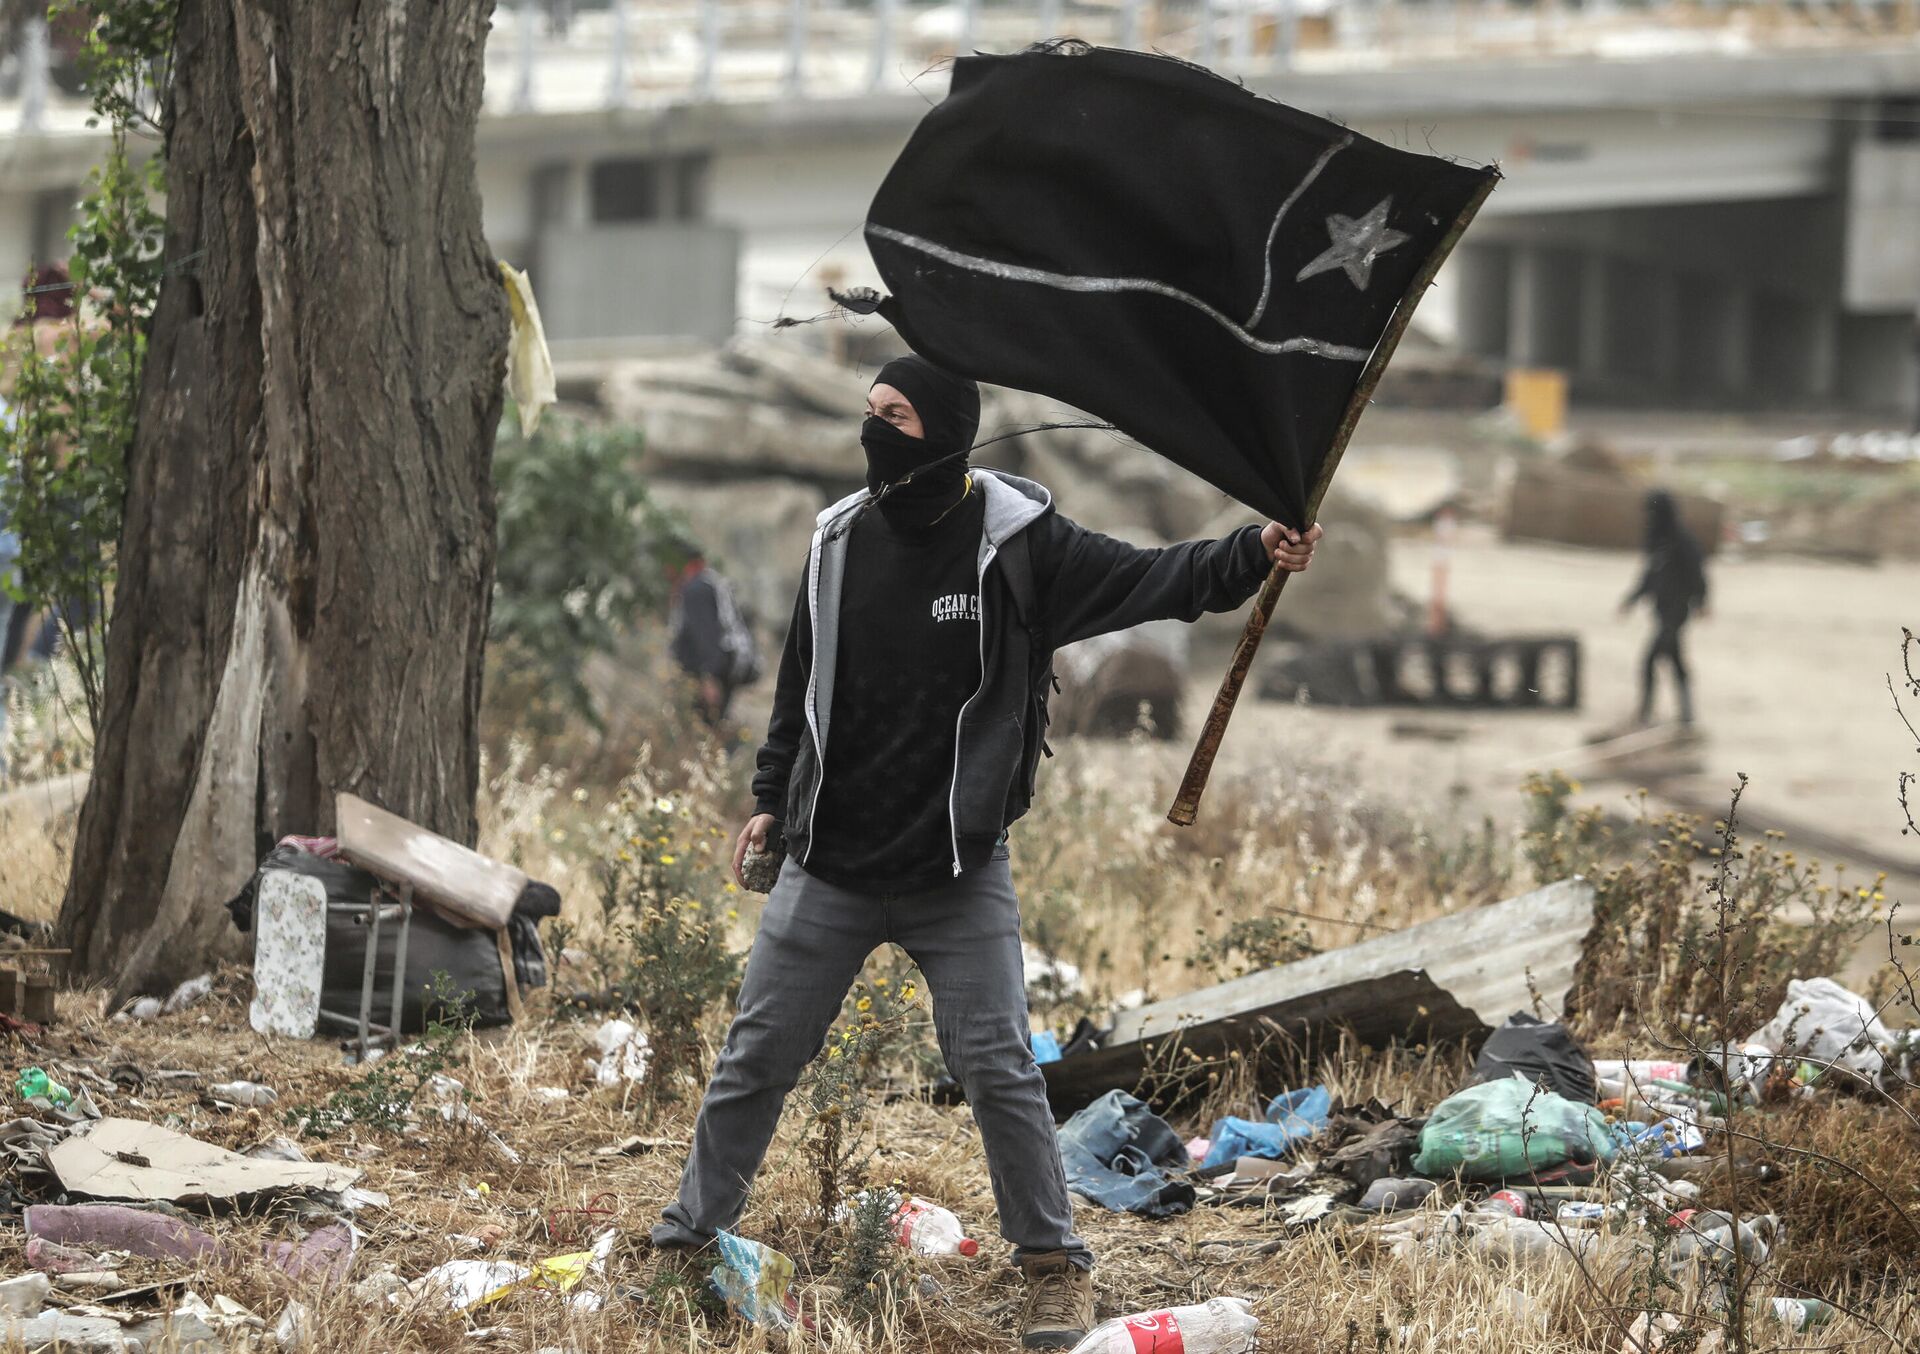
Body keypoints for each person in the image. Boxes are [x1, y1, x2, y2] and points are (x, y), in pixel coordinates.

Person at [649, 353, 1323, 1350]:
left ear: (947, 435)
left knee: (999, 1065)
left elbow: (1150, 579)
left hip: (956, 873)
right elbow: (800, 687)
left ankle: (1053, 1266)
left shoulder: (1018, 547)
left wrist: (1250, 552)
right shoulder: (837, 539)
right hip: (827, 864)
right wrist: (765, 800)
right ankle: (684, 1242)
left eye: (898, 416)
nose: (876, 431)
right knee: (756, 1057)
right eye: (870, 412)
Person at [1620, 488, 1708, 727]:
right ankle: (1686, 714)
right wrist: (1632, 599)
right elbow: (1649, 577)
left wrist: (1702, 602)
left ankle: (1647, 712)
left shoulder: (1682, 541)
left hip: (1676, 612)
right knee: (1675, 659)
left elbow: (1697, 574)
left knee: (1650, 660)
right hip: (1661, 611)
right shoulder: (1660, 542)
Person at [668, 545, 760, 726]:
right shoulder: (707, 581)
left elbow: (707, 636)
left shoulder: (696, 589)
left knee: (707, 727)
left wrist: (710, 677)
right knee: (710, 726)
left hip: (714, 672)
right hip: (721, 667)